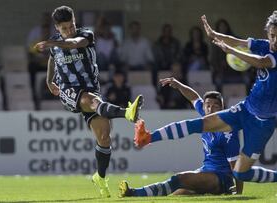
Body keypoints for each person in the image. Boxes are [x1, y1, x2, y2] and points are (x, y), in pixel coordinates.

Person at [134, 11, 277, 185]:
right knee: (201, 124)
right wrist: (214, 35)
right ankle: (147, 137)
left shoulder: (271, 56)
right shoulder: (264, 45)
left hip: (263, 122)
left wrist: (230, 51)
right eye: (272, 36)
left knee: (240, 174)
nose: (275, 41)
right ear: (268, 34)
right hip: (246, 109)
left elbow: (261, 62)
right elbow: (239, 42)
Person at [33, 6, 144, 198]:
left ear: (75, 22)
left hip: (91, 89)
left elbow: (75, 43)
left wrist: (51, 44)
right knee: (88, 100)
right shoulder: (56, 44)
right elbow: (53, 60)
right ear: (57, 28)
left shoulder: (86, 35)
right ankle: (127, 112)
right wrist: (49, 80)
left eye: (71, 25)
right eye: (65, 28)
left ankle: (100, 177)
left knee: (104, 136)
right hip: (68, 90)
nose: (70, 30)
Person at [119, 77, 243, 197]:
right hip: (206, 171)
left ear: (222, 108)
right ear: (204, 107)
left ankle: (133, 192)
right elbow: (194, 97)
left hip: (221, 178)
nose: (210, 109)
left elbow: (236, 165)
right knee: (176, 193)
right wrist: (178, 85)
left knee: (179, 179)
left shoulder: (228, 133)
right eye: (208, 105)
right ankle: (135, 194)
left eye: (215, 106)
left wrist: (238, 192)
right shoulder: (206, 117)